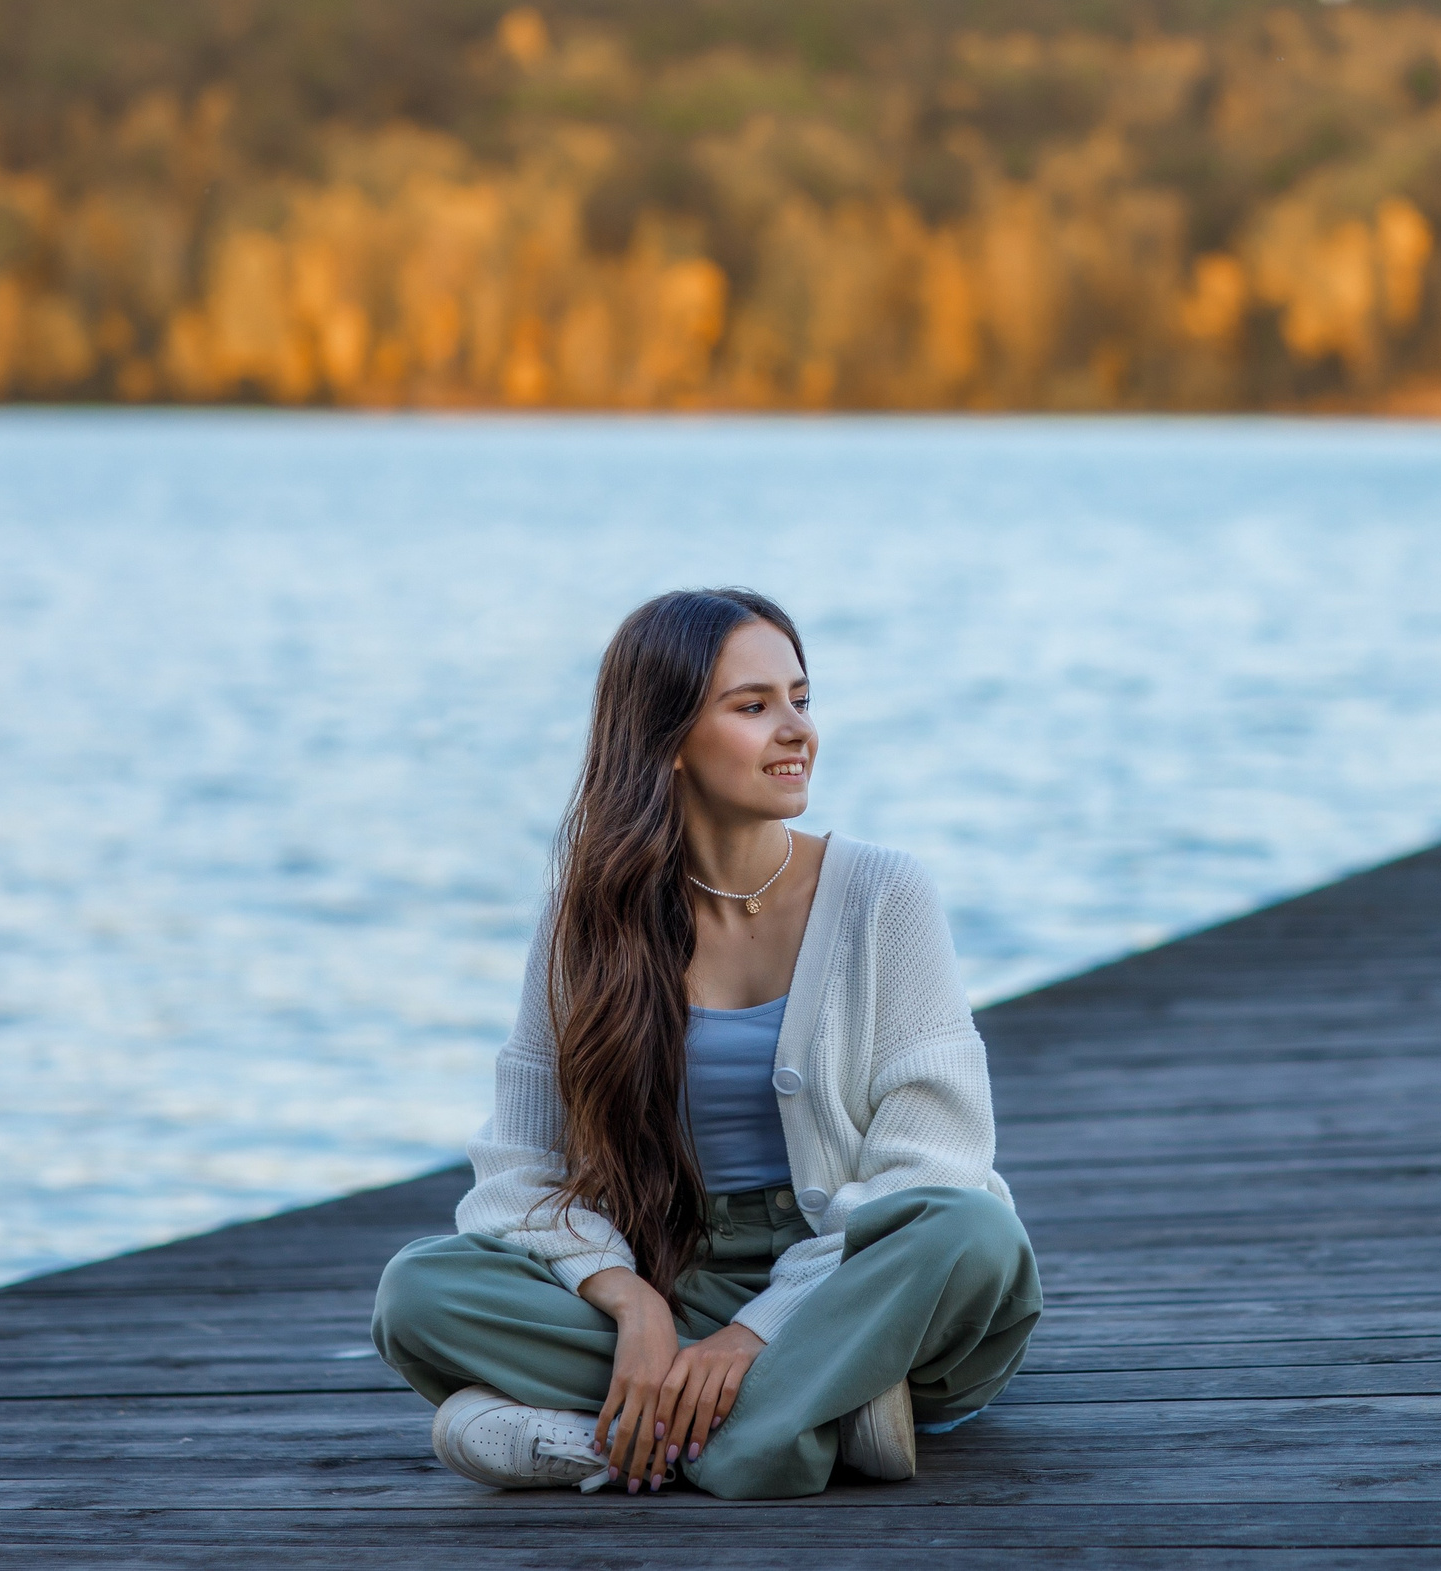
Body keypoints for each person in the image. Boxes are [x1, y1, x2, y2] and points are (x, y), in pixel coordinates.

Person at [371, 588, 1039, 1500]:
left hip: (862, 1278)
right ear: (669, 740)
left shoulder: (885, 893)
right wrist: (629, 1300)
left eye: (801, 698)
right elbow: (517, 1169)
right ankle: (820, 1417)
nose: (796, 729)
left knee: (977, 1233)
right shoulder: (590, 920)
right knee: (419, 1292)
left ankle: (629, 1436)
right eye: (754, 706)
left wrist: (756, 1331)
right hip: (679, 1276)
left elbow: (935, 1171)